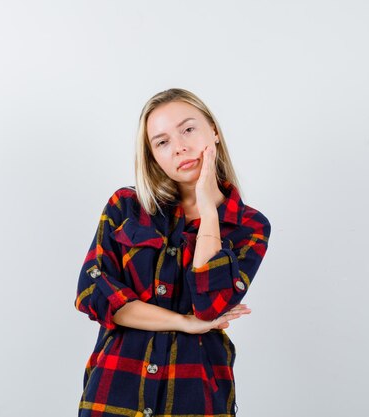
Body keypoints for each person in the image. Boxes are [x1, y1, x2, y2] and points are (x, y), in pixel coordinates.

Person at [74, 88, 271, 417]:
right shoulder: (126, 207)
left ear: (214, 131)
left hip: (195, 396)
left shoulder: (249, 226)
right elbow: (92, 293)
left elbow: (210, 307)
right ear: (152, 155)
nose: (180, 147)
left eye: (188, 129)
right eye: (162, 141)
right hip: (113, 395)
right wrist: (183, 322)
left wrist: (208, 212)